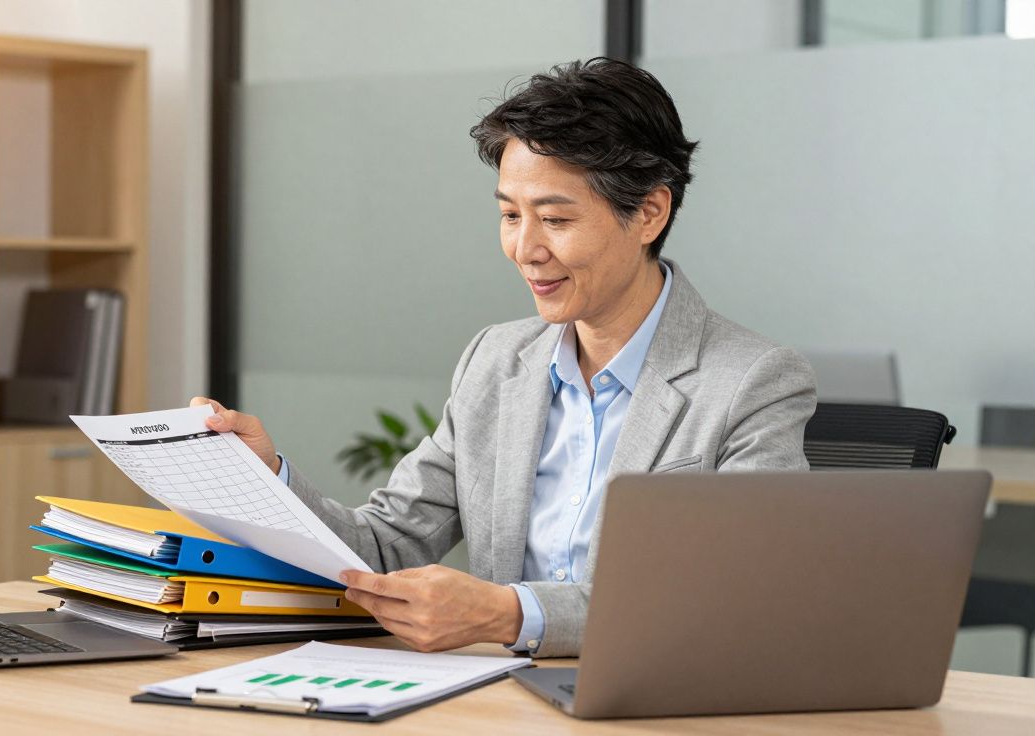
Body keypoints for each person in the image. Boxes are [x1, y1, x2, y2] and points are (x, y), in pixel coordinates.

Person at [193, 57, 816, 658]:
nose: (524, 248)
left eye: (555, 219)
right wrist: (267, 476)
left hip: (654, 696)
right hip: (501, 697)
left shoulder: (752, 382)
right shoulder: (495, 360)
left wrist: (509, 614)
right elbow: (384, 548)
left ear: (649, 212)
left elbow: (738, 594)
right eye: (510, 215)